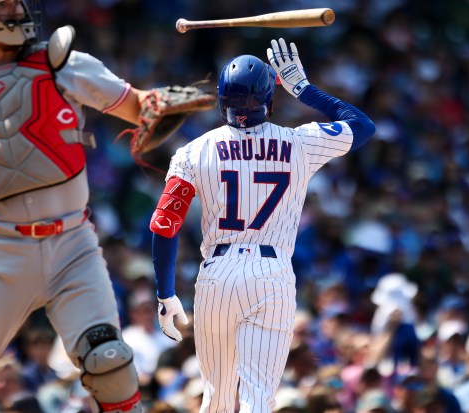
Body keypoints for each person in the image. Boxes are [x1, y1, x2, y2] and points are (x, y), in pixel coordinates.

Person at [0, 0, 208, 411]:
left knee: (110, 364)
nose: (16, 9)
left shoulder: (62, 63)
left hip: (73, 247)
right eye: (3, 3)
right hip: (1, 256)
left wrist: (159, 104)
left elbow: (137, 105)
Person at [149, 38, 375, 412]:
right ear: (270, 99)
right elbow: (362, 126)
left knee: (217, 398)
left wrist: (165, 291)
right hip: (272, 274)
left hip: (217, 273)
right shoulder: (300, 142)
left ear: (222, 99)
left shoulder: (194, 150)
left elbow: (164, 224)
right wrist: (304, 89)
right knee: (258, 400)